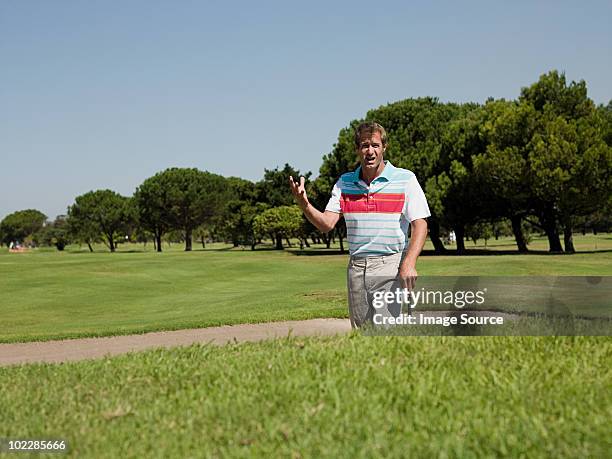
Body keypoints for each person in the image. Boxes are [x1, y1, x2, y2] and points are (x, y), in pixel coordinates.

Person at [289, 121, 430, 328]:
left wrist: (409, 263)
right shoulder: (344, 182)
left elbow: (420, 224)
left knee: (386, 333)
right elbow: (327, 224)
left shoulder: (405, 179)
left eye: (375, 145)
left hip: (389, 266)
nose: (370, 151)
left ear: (384, 148)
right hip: (356, 268)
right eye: (365, 145)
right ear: (357, 149)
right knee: (361, 335)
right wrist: (305, 204)